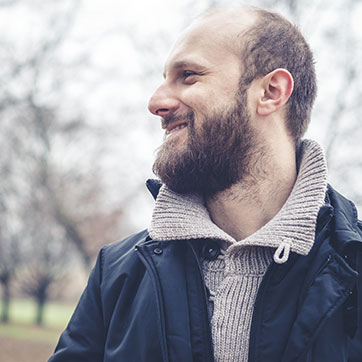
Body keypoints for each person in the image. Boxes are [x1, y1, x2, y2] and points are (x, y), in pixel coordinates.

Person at [49, 6, 362, 362]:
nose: (156, 102)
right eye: (165, 78)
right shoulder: (117, 274)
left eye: (188, 75)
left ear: (271, 91)